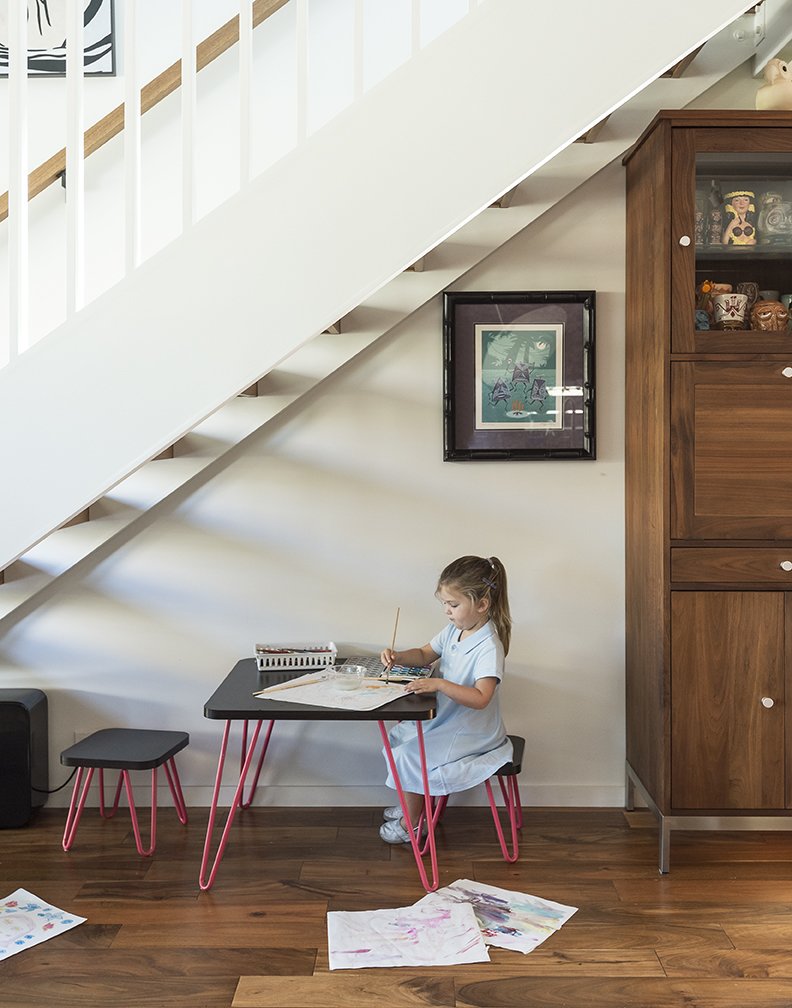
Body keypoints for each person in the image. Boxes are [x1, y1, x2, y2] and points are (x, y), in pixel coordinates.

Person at [378, 555, 513, 844]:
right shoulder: (456, 630)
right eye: (444, 604)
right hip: (450, 720)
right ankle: (415, 806)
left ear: (481, 604)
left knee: (408, 755)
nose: (447, 611)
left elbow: (481, 698)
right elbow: (426, 654)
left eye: (453, 605)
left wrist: (439, 683)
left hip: (472, 731)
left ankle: (413, 823)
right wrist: (398, 656)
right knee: (399, 737)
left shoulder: (489, 647)